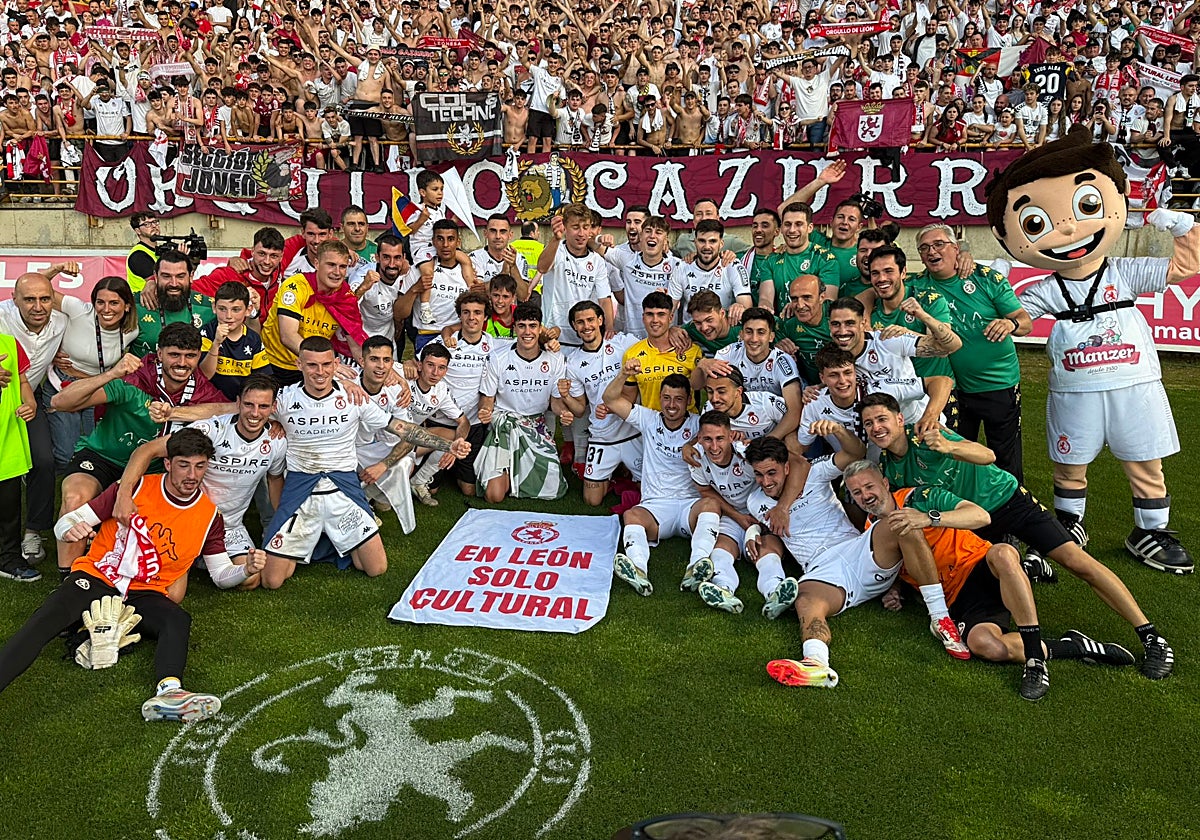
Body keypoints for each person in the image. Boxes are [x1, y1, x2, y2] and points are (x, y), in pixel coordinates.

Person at [987, 128, 1198, 575]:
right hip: (1074, 387)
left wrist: (1185, 228)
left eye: (1085, 207)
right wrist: (1007, 317)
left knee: (1144, 459)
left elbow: (1184, 267)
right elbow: (1018, 314)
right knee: (1070, 462)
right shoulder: (1046, 288)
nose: (1066, 228)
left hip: (1134, 382)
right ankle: (1069, 524)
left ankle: (1151, 530)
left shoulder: (1125, 272)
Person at [862, 391, 1176, 680]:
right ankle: (1036, 626)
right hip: (971, 521)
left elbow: (987, 456)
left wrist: (950, 446)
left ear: (899, 419)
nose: (877, 428)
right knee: (997, 571)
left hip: (1007, 501)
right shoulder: (890, 470)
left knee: (1077, 562)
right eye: (869, 423)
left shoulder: (926, 435)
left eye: (882, 419)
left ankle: (1150, 636)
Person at [0, 428, 265, 722]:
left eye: (200, 466)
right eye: (183, 465)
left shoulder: (208, 515)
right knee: (44, 621)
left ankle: (170, 692)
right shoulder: (134, 489)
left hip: (144, 592)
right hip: (99, 575)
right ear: (167, 463)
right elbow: (71, 522)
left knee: (177, 619)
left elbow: (220, 574)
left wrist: (245, 570)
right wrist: (68, 529)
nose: (192, 474)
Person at [845, 463, 1137, 701]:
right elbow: (894, 570)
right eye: (856, 492)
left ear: (885, 482)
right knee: (987, 646)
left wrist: (929, 517)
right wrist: (894, 591)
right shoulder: (871, 535)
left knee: (1005, 553)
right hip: (958, 596)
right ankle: (1076, 647)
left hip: (982, 564)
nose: (865, 495)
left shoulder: (920, 496)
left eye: (869, 486)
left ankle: (1035, 659)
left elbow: (979, 515)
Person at [260, 337, 468, 590]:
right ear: (299, 364)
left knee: (376, 567)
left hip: (343, 487)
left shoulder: (353, 398)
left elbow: (402, 428)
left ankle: (323, 539)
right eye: (312, 365)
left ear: (336, 364)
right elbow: (244, 412)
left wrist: (448, 445)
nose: (320, 372)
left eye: (326, 364)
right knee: (272, 580)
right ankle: (314, 540)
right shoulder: (283, 399)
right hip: (303, 487)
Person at [50, 323, 231, 574]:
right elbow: (60, 402)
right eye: (174, 354)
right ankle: (69, 580)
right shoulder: (135, 378)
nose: (182, 362)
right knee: (75, 498)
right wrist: (111, 374)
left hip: (152, 468)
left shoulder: (201, 389)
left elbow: (231, 408)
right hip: (103, 455)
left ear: (199, 356)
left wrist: (177, 413)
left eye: (190, 356)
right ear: (159, 353)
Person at [750, 441, 908, 689]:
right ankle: (816, 663)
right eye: (758, 474)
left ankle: (937, 609)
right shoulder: (755, 501)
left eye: (772, 473)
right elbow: (767, 531)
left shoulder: (816, 472)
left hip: (857, 549)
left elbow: (855, 453)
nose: (765, 482)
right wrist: (753, 531)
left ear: (787, 467)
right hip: (821, 570)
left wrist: (833, 431)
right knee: (806, 602)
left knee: (895, 524)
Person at [114, 376, 287, 591]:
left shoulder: (276, 441)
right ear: (238, 403)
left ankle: (201, 558)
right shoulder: (211, 430)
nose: (254, 413)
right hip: (186, 522)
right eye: (248, 404)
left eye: (263, 406)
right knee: (168, 586)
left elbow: (275, 479)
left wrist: (283, 522)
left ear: (273, 407)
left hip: (228, 527)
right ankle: (193, 557)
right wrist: (123, 495)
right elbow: (146, 450)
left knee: (250, 579)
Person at [601, 369, 737, 612]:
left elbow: (726, 425)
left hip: (689, 507)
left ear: (689, 401)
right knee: (631, 515)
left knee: (711, 504)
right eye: (666, 398)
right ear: (660, 398)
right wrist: (624, 374)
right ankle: (638, 569)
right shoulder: (649, 418)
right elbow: (610, 399)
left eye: (678, 399)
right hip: (656, 507)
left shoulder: (699, 424)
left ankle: (696, 567)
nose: (671, 405)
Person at [909, 224, 1031, 482]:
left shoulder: (986, 278)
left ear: (955, 248)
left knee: (1005, 456)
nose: (932, 251)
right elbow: (882, 279)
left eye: (939, 244)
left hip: (997, 383)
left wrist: (1010, 324)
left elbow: (1025, 321)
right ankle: (967, 513)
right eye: (924, 248)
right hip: (951, 389)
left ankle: (1013, 511)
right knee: (959, 455)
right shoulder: (916, 285)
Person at [0, 272, 66, 567]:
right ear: (13, 301)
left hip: (27, 399)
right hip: (7, 401)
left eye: (44, 298)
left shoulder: (62, 323)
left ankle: (32, 531)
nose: (37, 306)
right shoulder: (2, 320)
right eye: (29, 299)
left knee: (44, 461)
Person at [42, 275, 139, 474]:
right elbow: (37, 289)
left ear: (127, 306)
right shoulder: (79, 310)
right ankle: (39, 468)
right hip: (62, 384)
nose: (106, 309)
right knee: (66, 453)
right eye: (100, 302)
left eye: (114, 303)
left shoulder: (132, 331)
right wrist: (57, 270)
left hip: (95, 390)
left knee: (88, 449)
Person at [476, 303, 571, 502]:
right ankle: (507, 471)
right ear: (514, 328)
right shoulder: (498, 357)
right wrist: (485, 411)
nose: (527, 332)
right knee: (494, 496)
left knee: (553, 491)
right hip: (505, 426)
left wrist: (563, 413)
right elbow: (487, 399)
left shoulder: (555, 359)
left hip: (536, 426)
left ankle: (515, 471)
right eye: (521, 326)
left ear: (540, 328)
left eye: (532, 326)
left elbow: (555, 403)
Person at [561, 301, 641, 506]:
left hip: (633, 431)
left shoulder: (623, 343)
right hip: (602, 435)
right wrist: (566, 397)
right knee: (592, 500)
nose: (586, 326)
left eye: (590, 320)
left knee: (650, 492)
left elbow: (653, 348)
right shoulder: (574, 362)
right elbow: (580, 410)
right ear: (574, 326)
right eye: (580, 322)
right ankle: (616, 475)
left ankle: (623, 473)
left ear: (600, 320)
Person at [260, 240, 368, 385]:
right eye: (331, 265)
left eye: (342, 267)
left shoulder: (346, 296)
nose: (337, 272)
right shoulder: (295, 286)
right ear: (317, 264)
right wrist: (324, 363)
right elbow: (288, 336)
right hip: (273, 365)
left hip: (311, 368)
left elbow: (356, 345)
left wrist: (381, 369)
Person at [622, 291, 702, 411]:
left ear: (671, 318)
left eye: (661, 314)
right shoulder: (632, 354)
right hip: (652, 425)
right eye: (650, 314)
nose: (655, 320)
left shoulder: (691, 350)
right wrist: (608, 408)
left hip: (687, 424)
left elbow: (702, 388)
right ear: (643, 318)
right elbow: (628, 398)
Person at [0, 330, 37, 581]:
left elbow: (22, 380)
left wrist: (31, 402)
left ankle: (9, 557)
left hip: (7, 440)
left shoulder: (9, 343)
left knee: (8, 507)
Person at [130, 251, 216, 358]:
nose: (174, 283)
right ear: (156, 277)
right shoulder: (134, 306)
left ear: (191, 276)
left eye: (180, 276)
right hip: (142, 374)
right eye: (166, 276)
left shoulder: (210, 308)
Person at [199, 282, 269, 400]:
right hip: (208, 401)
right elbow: (204, 375)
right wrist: (216, 343)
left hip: (241, 403)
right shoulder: (207, 333)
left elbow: (262, 380)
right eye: (222, 309)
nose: (228, 316)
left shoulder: (254, 340)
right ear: (214, 307)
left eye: (236, 309)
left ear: (248, 310)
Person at [126, 210, 160, 294]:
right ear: (138, 230)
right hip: (142, 303)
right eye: (147, 224)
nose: (153, 226)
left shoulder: (157, 250)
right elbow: (159, 282)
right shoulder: (138, 255)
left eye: (155, 222)